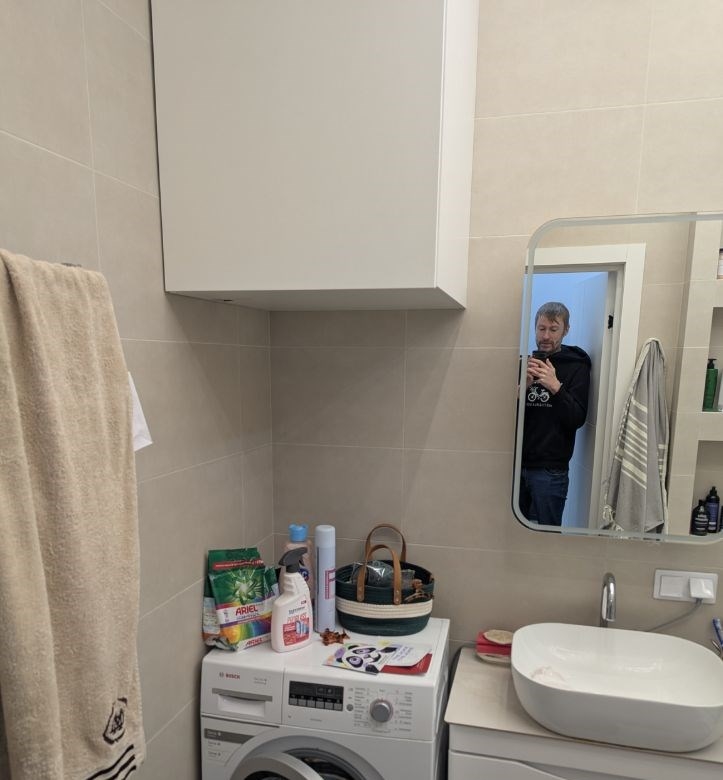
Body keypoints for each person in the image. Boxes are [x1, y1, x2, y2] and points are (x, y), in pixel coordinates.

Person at [520, 301, 591, 526]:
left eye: (553, 329)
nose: (546, 336)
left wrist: (555, 386)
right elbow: (500, 418)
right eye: (541, 328)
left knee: (546, 537)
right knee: (512, 535)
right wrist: (523, 389)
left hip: (550, 471)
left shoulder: (577, 366)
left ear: (566, 330)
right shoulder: (522, 364)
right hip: (514, 465)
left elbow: (576, 419)